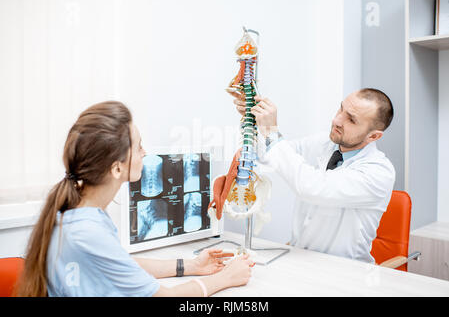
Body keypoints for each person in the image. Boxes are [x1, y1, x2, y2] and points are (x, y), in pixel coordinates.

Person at [16, 101, 253, 297]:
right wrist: (226, 278)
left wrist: (191, 266)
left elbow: (122, 266)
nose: (145, 153)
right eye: (138, 147)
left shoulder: (80, 213)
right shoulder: (87, 232)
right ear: (117, 169)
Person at [230, 88, 395, 263]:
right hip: (301, 259)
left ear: (374, 136)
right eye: (341, 109)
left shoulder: (378, 172)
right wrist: (254, 120)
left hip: (344, 272)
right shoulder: (325, 143)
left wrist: (271, 130)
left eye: (351, 120)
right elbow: (270, 155)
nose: (337, 120)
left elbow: (311, 187)